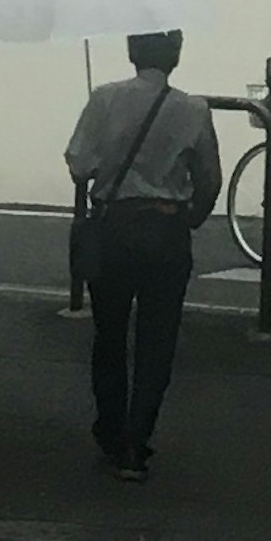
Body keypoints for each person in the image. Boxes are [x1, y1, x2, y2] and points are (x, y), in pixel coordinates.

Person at [63, 25, 218, 474]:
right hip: (166, 231)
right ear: (176, 56)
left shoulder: (104, 98)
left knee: (109, 333)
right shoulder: (194, 109)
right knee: (158, 337)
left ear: (132, 51)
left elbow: (79, 166)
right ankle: (138, 436)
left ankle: (110, 429)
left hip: (115, 227)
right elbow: (210, 179)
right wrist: (189, 217)